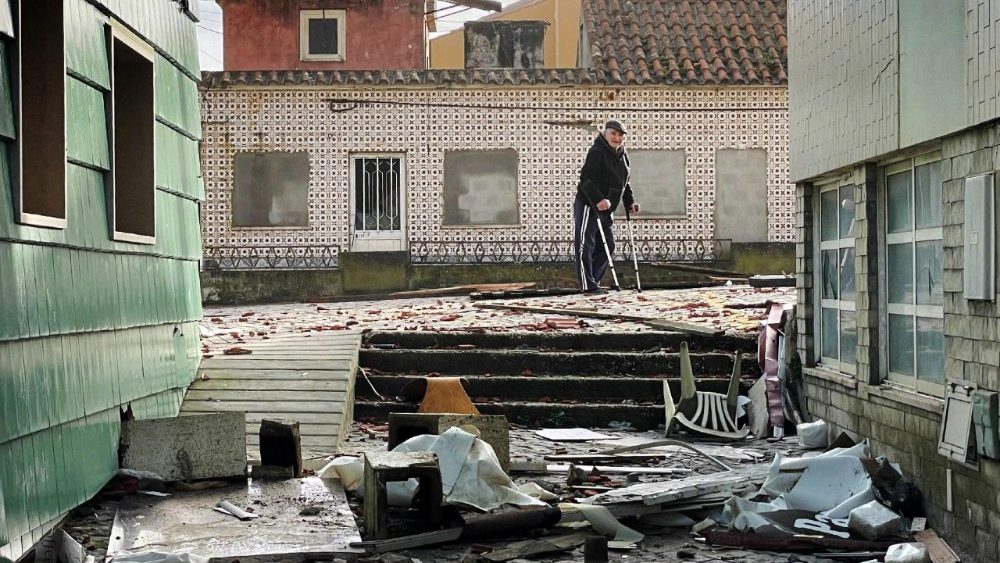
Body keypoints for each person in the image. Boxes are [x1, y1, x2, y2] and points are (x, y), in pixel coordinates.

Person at [574, 120, 639, 293]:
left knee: (608, 245)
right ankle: (587, 285)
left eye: (620, 135)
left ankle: (593, 279)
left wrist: (629, 201)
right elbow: (585, 179)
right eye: (613, 134)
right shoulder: (597, 151)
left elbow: (624, 182)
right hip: (589, 203)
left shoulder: (622, 154)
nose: (617, 138)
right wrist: (598, 199)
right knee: (585, 245)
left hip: (607, 208)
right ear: (605, 134)